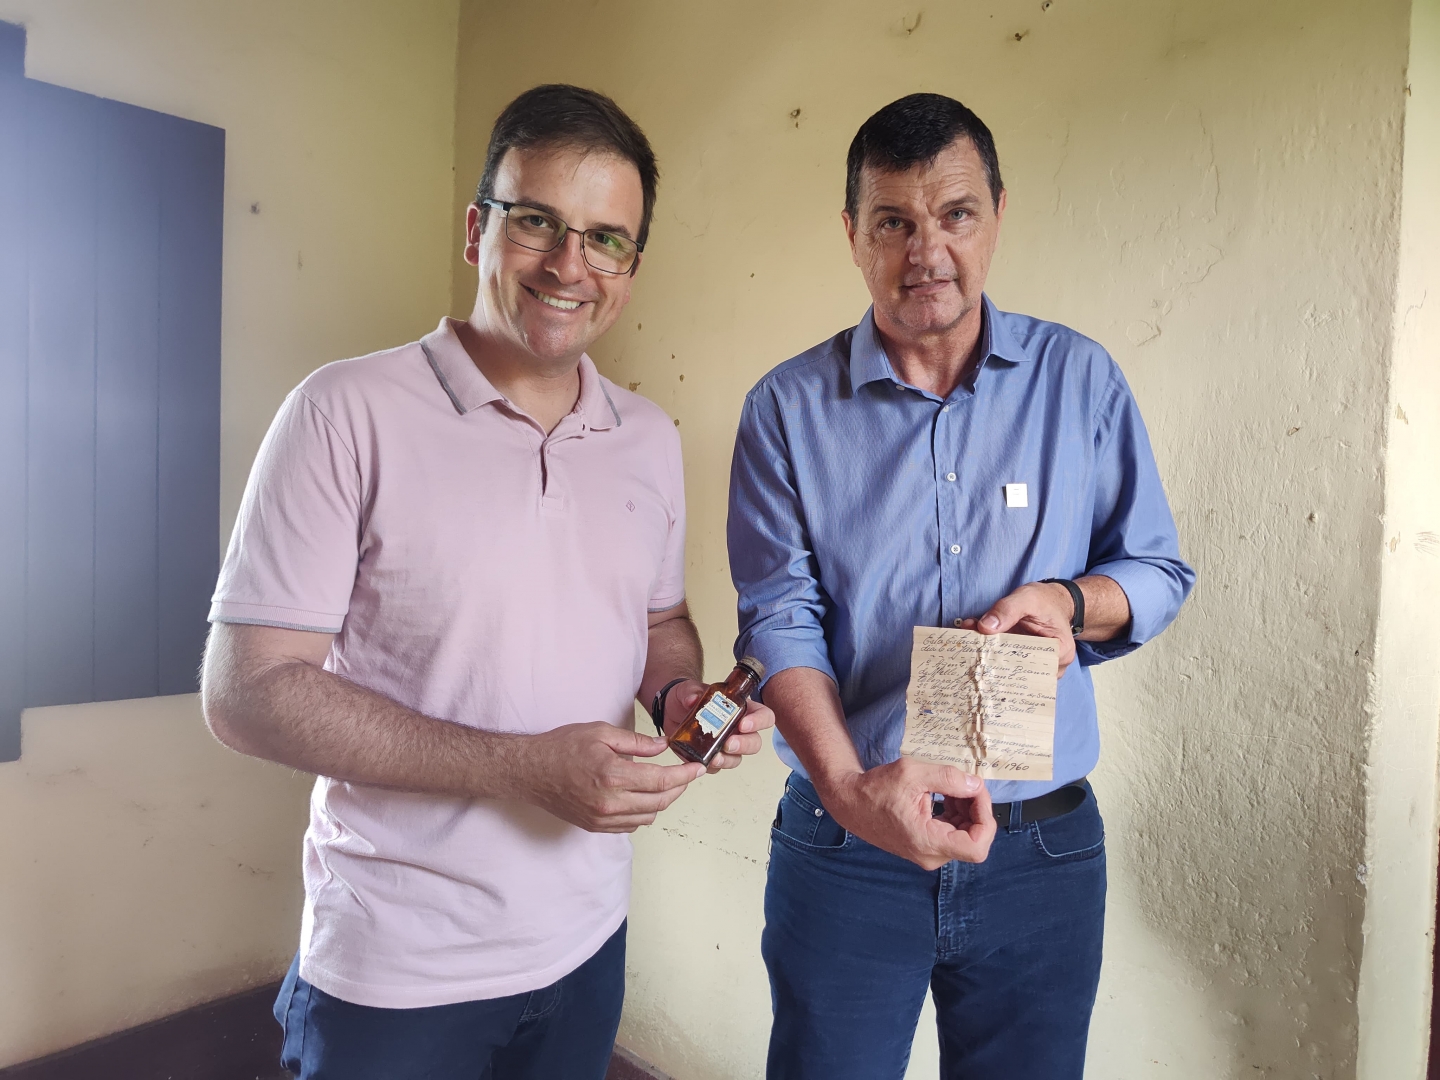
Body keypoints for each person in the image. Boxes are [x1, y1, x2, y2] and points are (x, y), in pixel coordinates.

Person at [200, 83, 772, 1080]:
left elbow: (660, 620)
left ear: (631, 266)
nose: (569, 265)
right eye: (537, 221)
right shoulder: (343, 412)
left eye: (606, 239)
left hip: (588, 942)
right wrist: (521, 768)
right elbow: (247, 692)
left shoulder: (648, 438)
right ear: (478, 230)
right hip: (396, 968)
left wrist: (680, 693)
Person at [728, 92, 1195, 1080]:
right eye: (893, 222)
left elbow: (1156, 570)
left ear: (997, 215)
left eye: (955, 214)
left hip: (1041, 852)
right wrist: (851, 794)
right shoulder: (785, 408)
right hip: (847, 843)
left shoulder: (1081, 380)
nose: (926, 251)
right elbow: (779, 621)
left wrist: (1072, 605)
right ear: (853, 234)